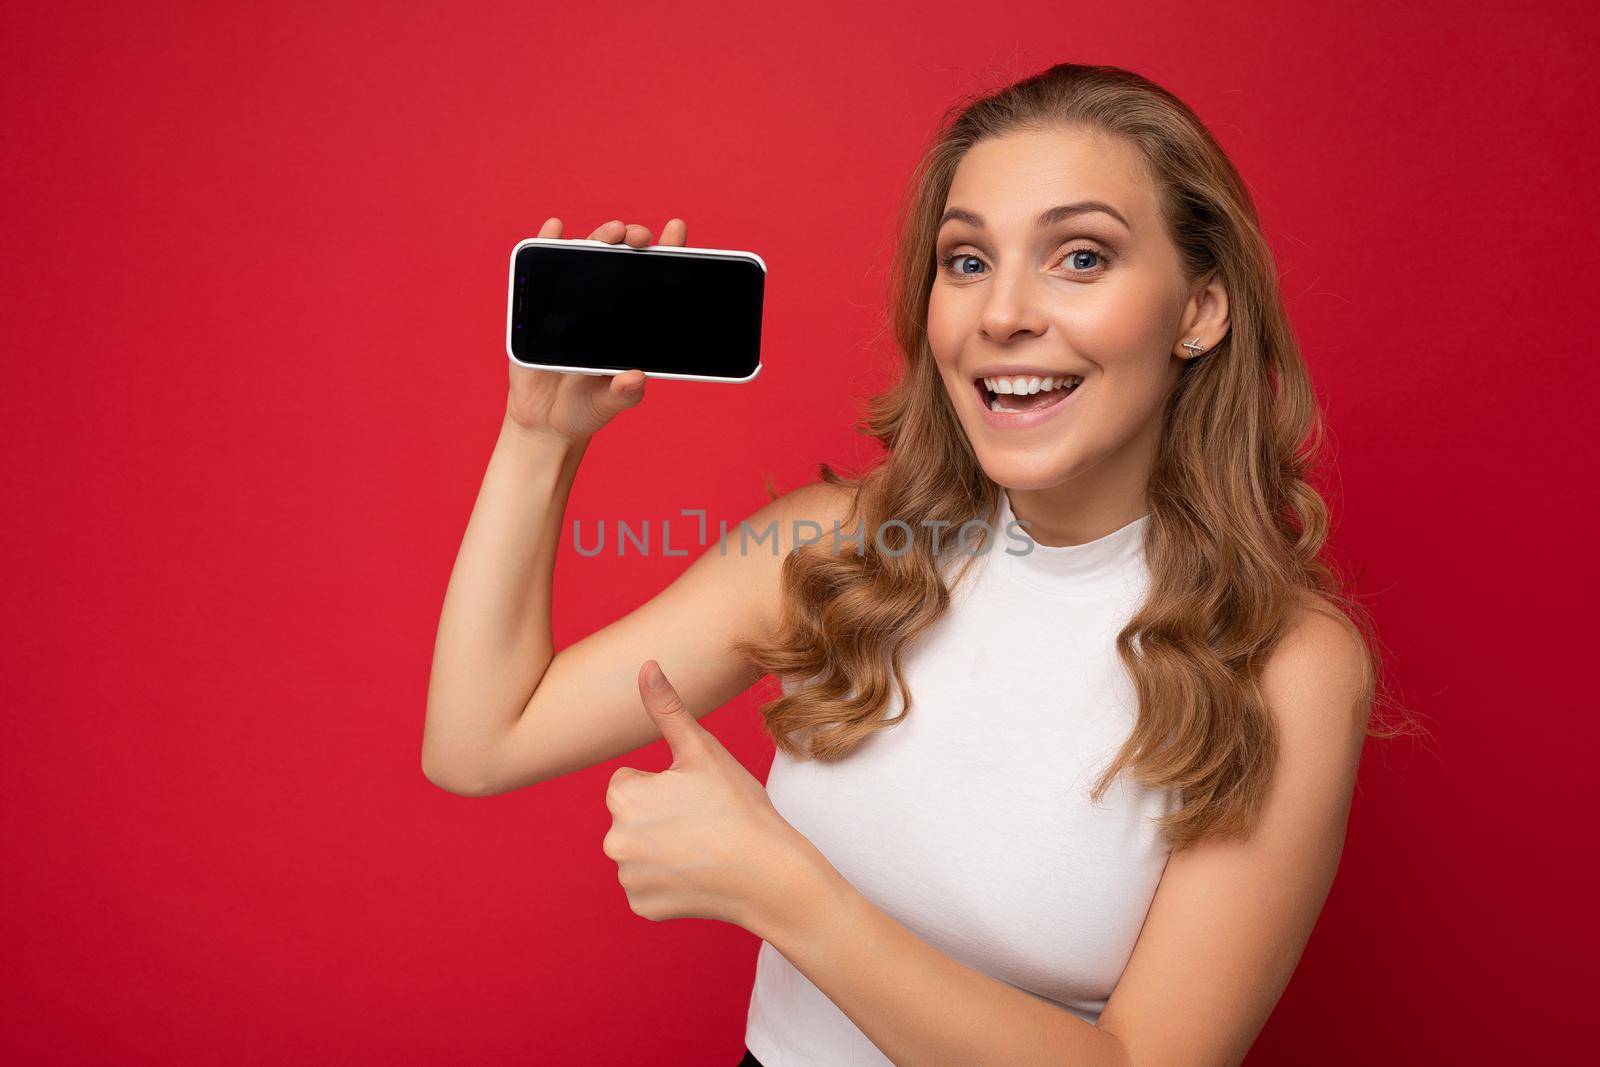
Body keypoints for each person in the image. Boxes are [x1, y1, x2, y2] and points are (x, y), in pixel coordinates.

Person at [422, 62, 1412, 1066]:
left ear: (1199, 309)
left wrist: (784, 889)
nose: (1001, 314)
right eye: (967, 261)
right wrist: (538, 439)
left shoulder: (1288, 659)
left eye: (1079, 256)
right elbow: (478, 741)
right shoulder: (832, 550)